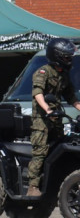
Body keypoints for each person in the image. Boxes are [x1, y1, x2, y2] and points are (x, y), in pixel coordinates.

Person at [28, 38, 80, 197]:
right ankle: (32, 187)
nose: (69, 59)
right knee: (41, 151)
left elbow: (71, 98)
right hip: (42, 120)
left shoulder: (63, 75)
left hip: (56, 119)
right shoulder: (43, 72)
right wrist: (48, 110)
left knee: (59, 150)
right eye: (66, 57)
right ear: (57, 56)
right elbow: (38, 94)